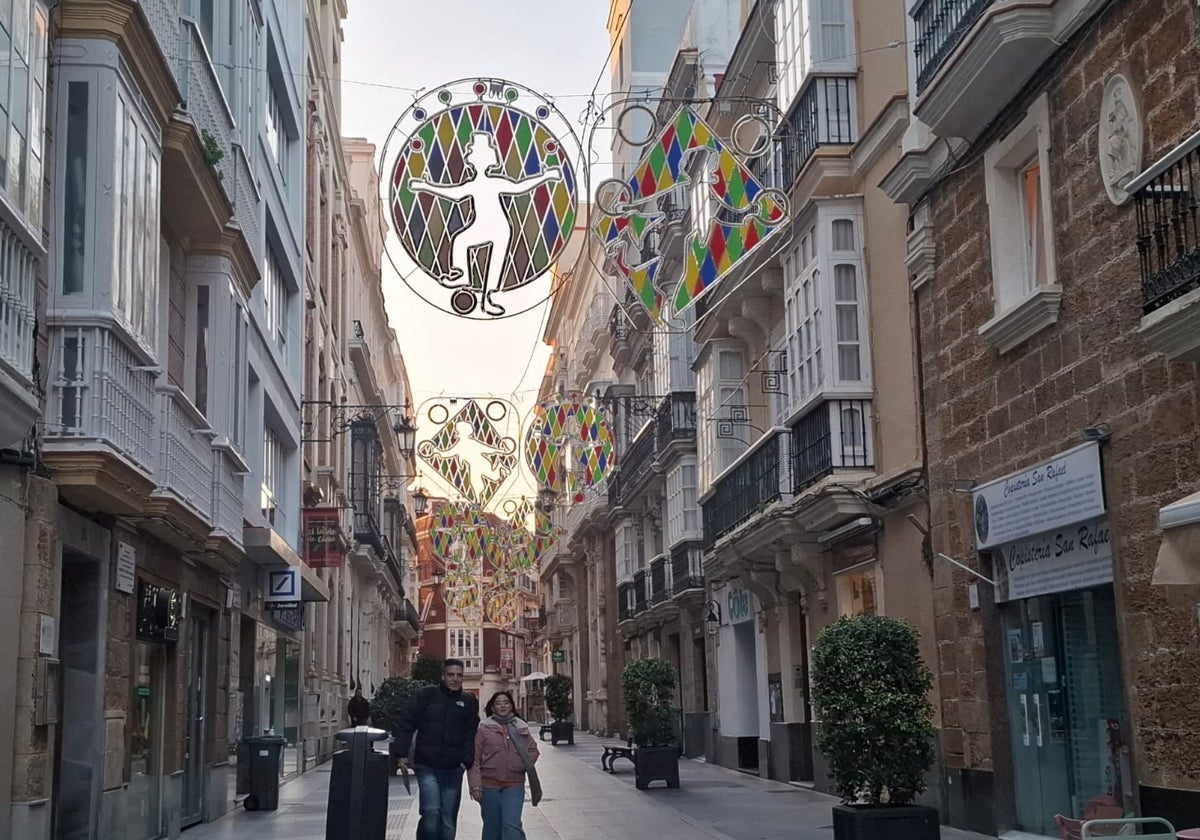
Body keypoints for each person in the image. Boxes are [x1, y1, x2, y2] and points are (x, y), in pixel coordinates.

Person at [408, 132, 562, 316]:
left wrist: (546, 176)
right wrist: (425, 186)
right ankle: (463, 275)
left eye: (472, 154)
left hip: (500, 228)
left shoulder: (495, 182)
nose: (469, 158)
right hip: (480, 225)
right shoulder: (474, 184)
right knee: (460, 240)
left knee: (494, 262)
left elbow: (519, 187)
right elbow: (454, 194)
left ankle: (487, 299)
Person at [393, 659, 480, 840]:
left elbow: (471, 732)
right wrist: (401, 754)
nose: (455, 679)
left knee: (448, 818)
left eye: (459, 675)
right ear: (443, 676)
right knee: (431, 811)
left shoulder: (468, 701)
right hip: (427, 765)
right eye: (451, 675)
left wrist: (466, 761)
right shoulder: (426, 695)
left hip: (454, 768)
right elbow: (406, 722)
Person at [467, 691, 540, 840]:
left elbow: (533, 750)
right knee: (492, 828)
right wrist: (475, 786)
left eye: (506, 702)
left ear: (512, 706)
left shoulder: (521, 727)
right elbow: (474, 759)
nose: (502, 706)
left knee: (511, 825)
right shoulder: (484, 728)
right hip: (489, 785)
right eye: (498, 703)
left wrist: (521, 764)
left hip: (514, 784)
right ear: (492, 708)